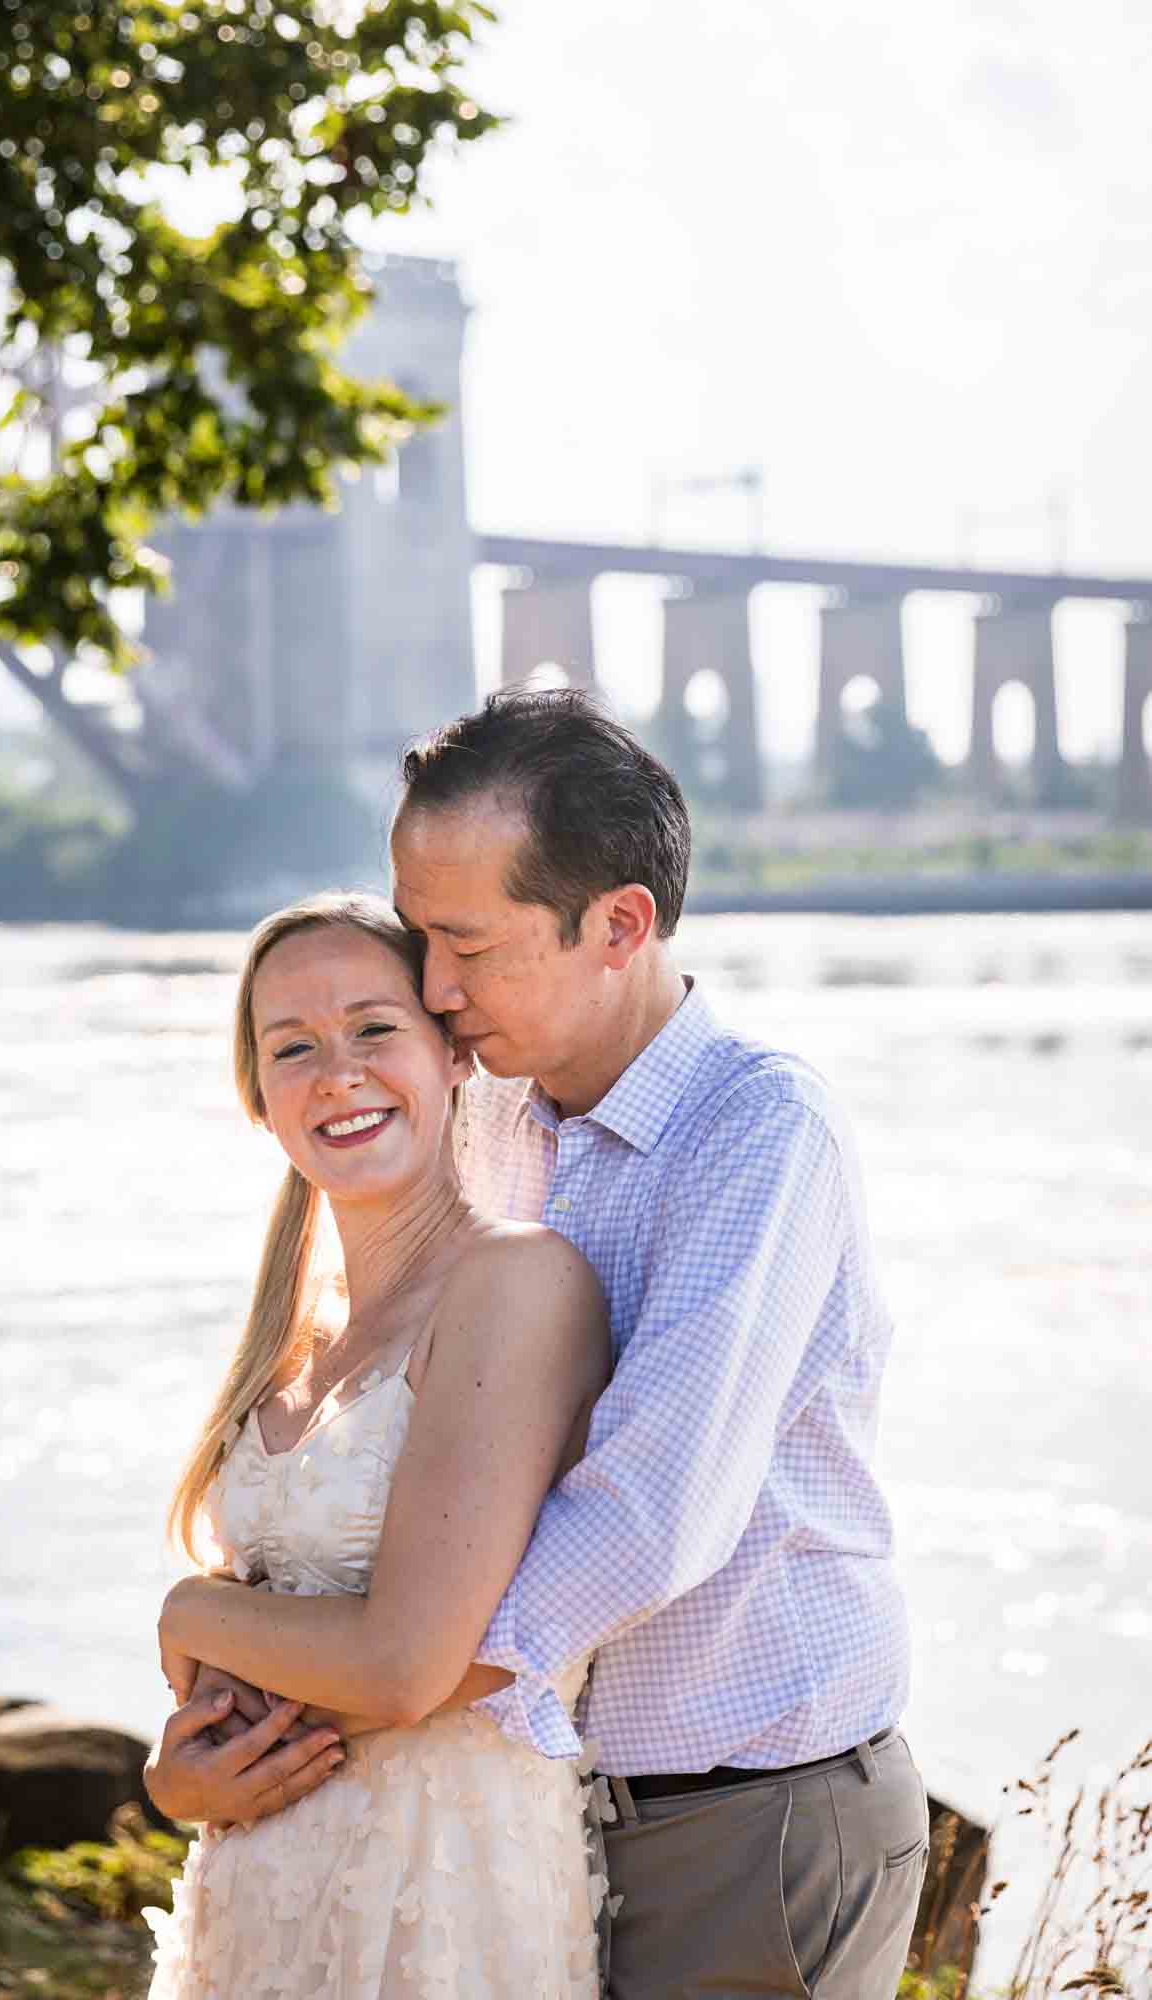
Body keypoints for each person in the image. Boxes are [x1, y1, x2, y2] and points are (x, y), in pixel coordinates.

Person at [382, 688, 928, 2000]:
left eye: (466, 944)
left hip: (747, 1820)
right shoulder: (488, 1115)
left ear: (620, 925)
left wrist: (372, 1683)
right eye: (415, 938)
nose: (433, 990)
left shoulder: (758, 1134)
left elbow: (648, 1514)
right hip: (542, 1804)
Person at [142, 891, 609, 1999]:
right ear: (259, 1099)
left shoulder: (515, 1284)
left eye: (374, 1027)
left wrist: (186, 1612)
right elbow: (266, 1667)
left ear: (453, 1053)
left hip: (437, 1900)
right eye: (291, 1045)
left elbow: (404, 1666)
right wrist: (178, 1781)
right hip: (256, 1899)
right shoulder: (292, 1339)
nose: (337, 1071)